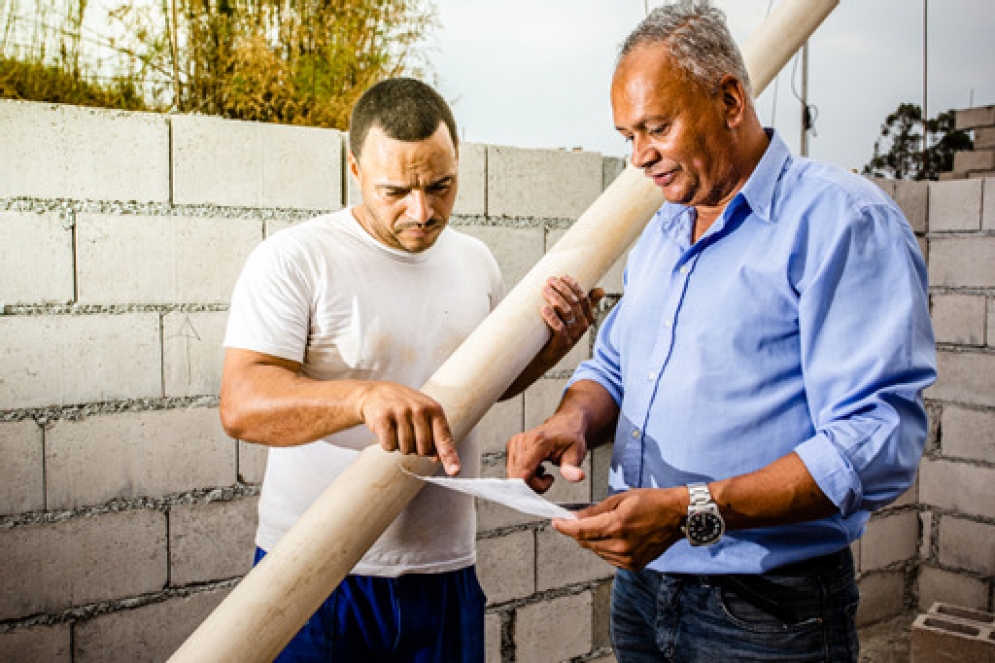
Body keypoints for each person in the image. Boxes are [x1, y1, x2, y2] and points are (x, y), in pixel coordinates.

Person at [506, 6, 936, 662]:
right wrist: (570, 421)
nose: (639, 156)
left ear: (730, 99)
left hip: (768, 611)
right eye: (628, 135)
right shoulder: (661, 231)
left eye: (657, 127)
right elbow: (616, 368)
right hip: (644, 592)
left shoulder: (839, 221)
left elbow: (873, 440)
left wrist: (692, 508)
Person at [220, 77, 601, 662]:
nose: (422, 211)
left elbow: (483, 390)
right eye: (395, 190)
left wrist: (553, 346)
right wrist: (363, 399)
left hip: (444, 571)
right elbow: (242, 404)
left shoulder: (474, 261)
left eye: (441, 186)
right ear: (354, 169)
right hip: (314, 574)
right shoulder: (295, 259)